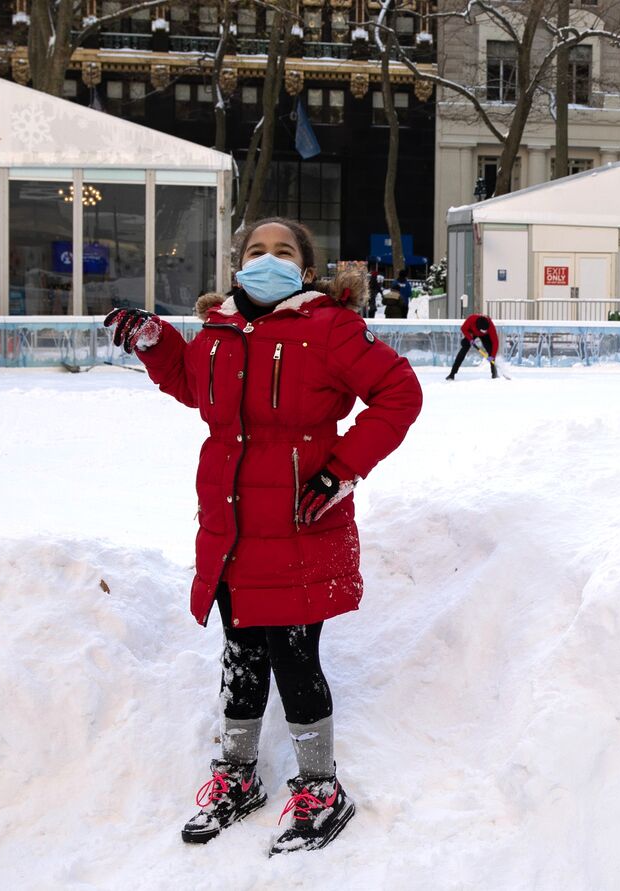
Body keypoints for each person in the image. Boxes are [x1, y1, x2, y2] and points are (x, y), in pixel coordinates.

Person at [102, 217, 423, 856]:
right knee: (241, 653)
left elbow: (398, 393)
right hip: (233, 527)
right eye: (256, 251)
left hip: (302, 525)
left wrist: (342, 469)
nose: (266, 259)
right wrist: (157, 341)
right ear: (237, 263)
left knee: (295, 659)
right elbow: (194, 386)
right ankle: (238, 774)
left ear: (305, 270)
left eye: (282, 252)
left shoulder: (330, 328)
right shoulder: (220, 329)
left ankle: (320, 787)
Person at [446, 313, 499, 380]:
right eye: (483, 330)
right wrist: (470, 339)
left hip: (485, 336)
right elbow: (463, 328)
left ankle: (495, 375)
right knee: (464, 348)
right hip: (472, 333)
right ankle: (452, 374)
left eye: (485, 330)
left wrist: (492, 356)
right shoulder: (471, 319)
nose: (484, 331)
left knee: (491, 351)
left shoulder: (490, 326)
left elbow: (495, 342)